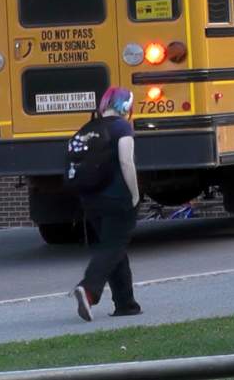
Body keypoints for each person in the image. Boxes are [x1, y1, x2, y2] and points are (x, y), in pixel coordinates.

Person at [71, 86, 142, 321]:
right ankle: (89, 290)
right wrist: (134, 194)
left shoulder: (88, 128)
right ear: (126, 107)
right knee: (113, 247)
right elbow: (126, 162)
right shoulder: (122, 127)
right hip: (117, 198)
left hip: (90, 199)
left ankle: (126, 303)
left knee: (115, 248)